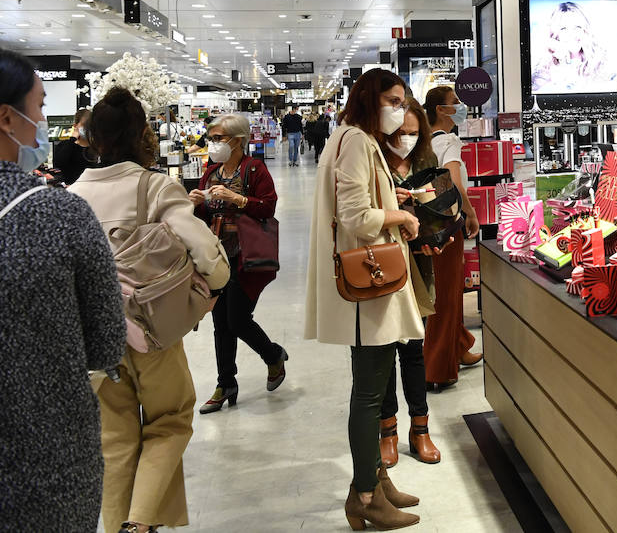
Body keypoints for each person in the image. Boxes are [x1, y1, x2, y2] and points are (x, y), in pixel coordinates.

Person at [70, 87, 230, 533]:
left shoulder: (72, 195)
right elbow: (202, 248)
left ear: (94, 139)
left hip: (96, 338)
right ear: (143, 133)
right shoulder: (154, 186)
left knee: (115, 441)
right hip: (151, 329)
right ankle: (139, 525)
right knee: (171, 418)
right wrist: (214, 286)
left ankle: (120, 523)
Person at [0, 51, 125, 532]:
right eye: (39, 106)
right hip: (45, 459)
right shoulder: (58, 215)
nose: (41, 123)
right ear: (7, 118)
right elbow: (106, 342)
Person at [305, 68, 425, 530]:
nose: (399, 109)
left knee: (370, 387)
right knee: (371, 392)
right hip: (369, 285)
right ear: (371, 99)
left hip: (366, 284)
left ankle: (375, 478)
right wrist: (403, 217)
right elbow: (355, 215)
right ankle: (365, 495)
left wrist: (396, 196)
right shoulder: (355, 140)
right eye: (393, 100)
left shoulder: (347, 137)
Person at [190, 113, 287, 414]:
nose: (214, 143)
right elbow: (204, 216)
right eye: (213, 138)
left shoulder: (254, 170)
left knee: (238, 318)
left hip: (246, 257)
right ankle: (225, 383)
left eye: (219, 138)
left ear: (238, 140)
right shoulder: (211, 172)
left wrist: (238, 199)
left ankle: (272, 355)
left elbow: (268, 206)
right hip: (216, 257)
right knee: (220, 322)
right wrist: (196, 203)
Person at [379, 100, 449, 466]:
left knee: (413, 349)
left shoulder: (426, 164)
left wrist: (438, 232)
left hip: (419, 267)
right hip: (381, 266)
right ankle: (387, 430)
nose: (405, 139)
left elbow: (442, 211)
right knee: (384, 350)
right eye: (399, 133)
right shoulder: (374, 166)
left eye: (412, 133)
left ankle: (420, 429)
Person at [423, 86, 483, 383]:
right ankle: (437, 367)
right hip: (448, 224)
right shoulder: (449, 140)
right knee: (446, 295)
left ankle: (460, 347)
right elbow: (454, 184)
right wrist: (471, 213)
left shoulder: (422, 141)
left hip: (427, 225)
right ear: (440, 110)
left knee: (447, 291)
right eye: (455, 103)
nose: (461, 106)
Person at [531, 0, 617, 93]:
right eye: (564, 29)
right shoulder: (546, 65)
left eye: (578, 27)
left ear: (585, 30)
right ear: (555, 34)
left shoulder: (599, 59)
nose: (572, 34)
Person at [53, 106, 94, 185]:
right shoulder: (66, 145)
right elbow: (59, 163)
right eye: (84, 125)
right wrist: (72, 139)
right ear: (75, 126)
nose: (87, 128)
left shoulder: (97, 147)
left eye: (90, 125)